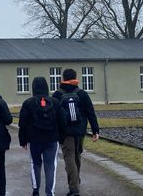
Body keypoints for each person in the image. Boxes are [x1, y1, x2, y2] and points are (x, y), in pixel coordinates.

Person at [52, 68, 100, 196]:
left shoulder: (57, 94)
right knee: (77, 156)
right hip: (80, 131)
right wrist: (95, 130)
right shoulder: (82, 94)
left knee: (69, 157)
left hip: (66, 132)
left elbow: (53, 115)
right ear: (75, 77)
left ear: (63, 78)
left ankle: (74, 188)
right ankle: (75, 181)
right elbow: (90, 112)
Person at [18, 77, 67, 196]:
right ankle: (50, 192)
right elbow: (63, 122)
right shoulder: (55, 102)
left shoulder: (28, 103)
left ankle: (35, 190)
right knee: (51, 166)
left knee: (35, 164)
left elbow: (22, 123)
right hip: (51, 139)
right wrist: (61, 138)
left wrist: (23, 140)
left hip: (34, 139)